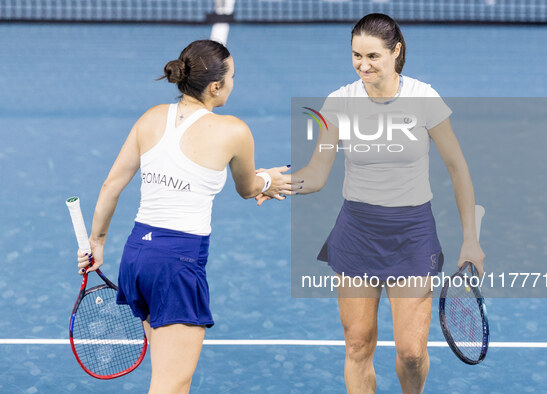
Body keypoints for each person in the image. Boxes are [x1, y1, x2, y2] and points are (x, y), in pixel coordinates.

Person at [259, 13, 485, 393]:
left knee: (412, 352)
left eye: (373, 56)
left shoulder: (423, 98)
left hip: (412, 234)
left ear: (396, 52)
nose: (363, 65)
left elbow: (458, 168)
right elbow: (317, 173)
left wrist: (471, 238)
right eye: (356, 55)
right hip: (357, 233)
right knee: (358, 343)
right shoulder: (339, 103)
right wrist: (275, 182)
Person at [76, 39, 293, 393]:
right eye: (233, 76)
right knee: (170, 386)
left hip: (137, 258)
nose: (235, 83)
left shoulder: (150, 118)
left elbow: (110, 186)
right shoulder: (234, 131)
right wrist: (268, 179)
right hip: (177, 264)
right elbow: (247, 188)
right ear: (215, 86)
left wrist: (97, 242)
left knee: (167, 378)